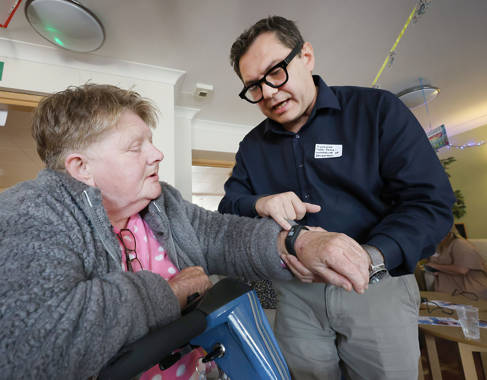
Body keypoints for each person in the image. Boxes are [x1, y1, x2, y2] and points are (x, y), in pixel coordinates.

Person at [0, 84, 365, 379]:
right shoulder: (30, 211)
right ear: (81, 167)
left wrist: (297, 240)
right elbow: (41, 341)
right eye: (135, 147)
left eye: (151, 141)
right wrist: (172, 294)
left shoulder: (162, 203)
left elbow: (221, 234)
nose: (157, 153)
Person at [219, 16, 456, 380]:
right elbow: (228, 213)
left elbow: (430, 202)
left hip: (378, 286)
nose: (267, 92)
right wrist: (258, 203)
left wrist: (368, 257)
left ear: (306, 56)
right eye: (253, 86)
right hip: (295, 295)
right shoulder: (252, 147)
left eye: (275, 73)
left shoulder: (378, 111)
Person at [427, 227, 487, 300]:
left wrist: (435, 266)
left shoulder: (459, 243)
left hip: (470, 292)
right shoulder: (437, 245)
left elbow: (462, 269)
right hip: (447, 290)